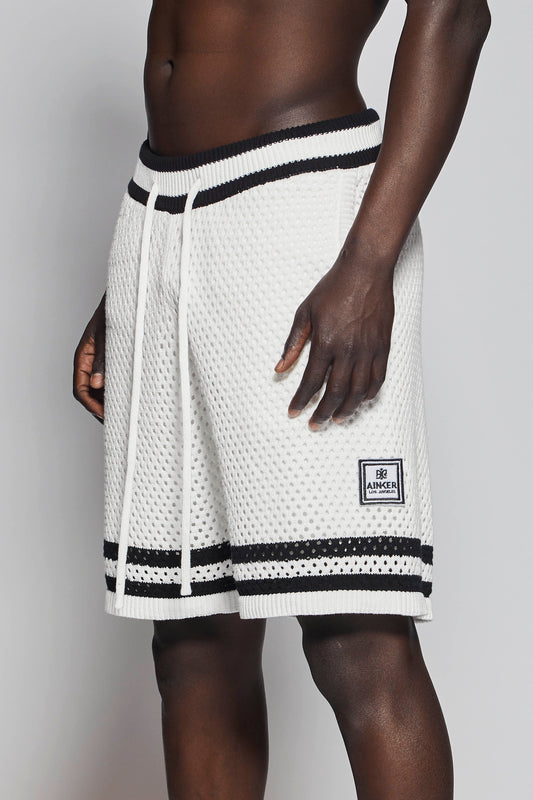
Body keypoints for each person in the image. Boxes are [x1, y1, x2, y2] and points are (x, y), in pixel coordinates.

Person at [73, 1, 490, 797]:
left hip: (302, 212)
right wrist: (134, 290)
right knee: (192, 640)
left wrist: (368, 262)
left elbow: (456, 14)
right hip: (160, 214)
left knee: (355, 637)